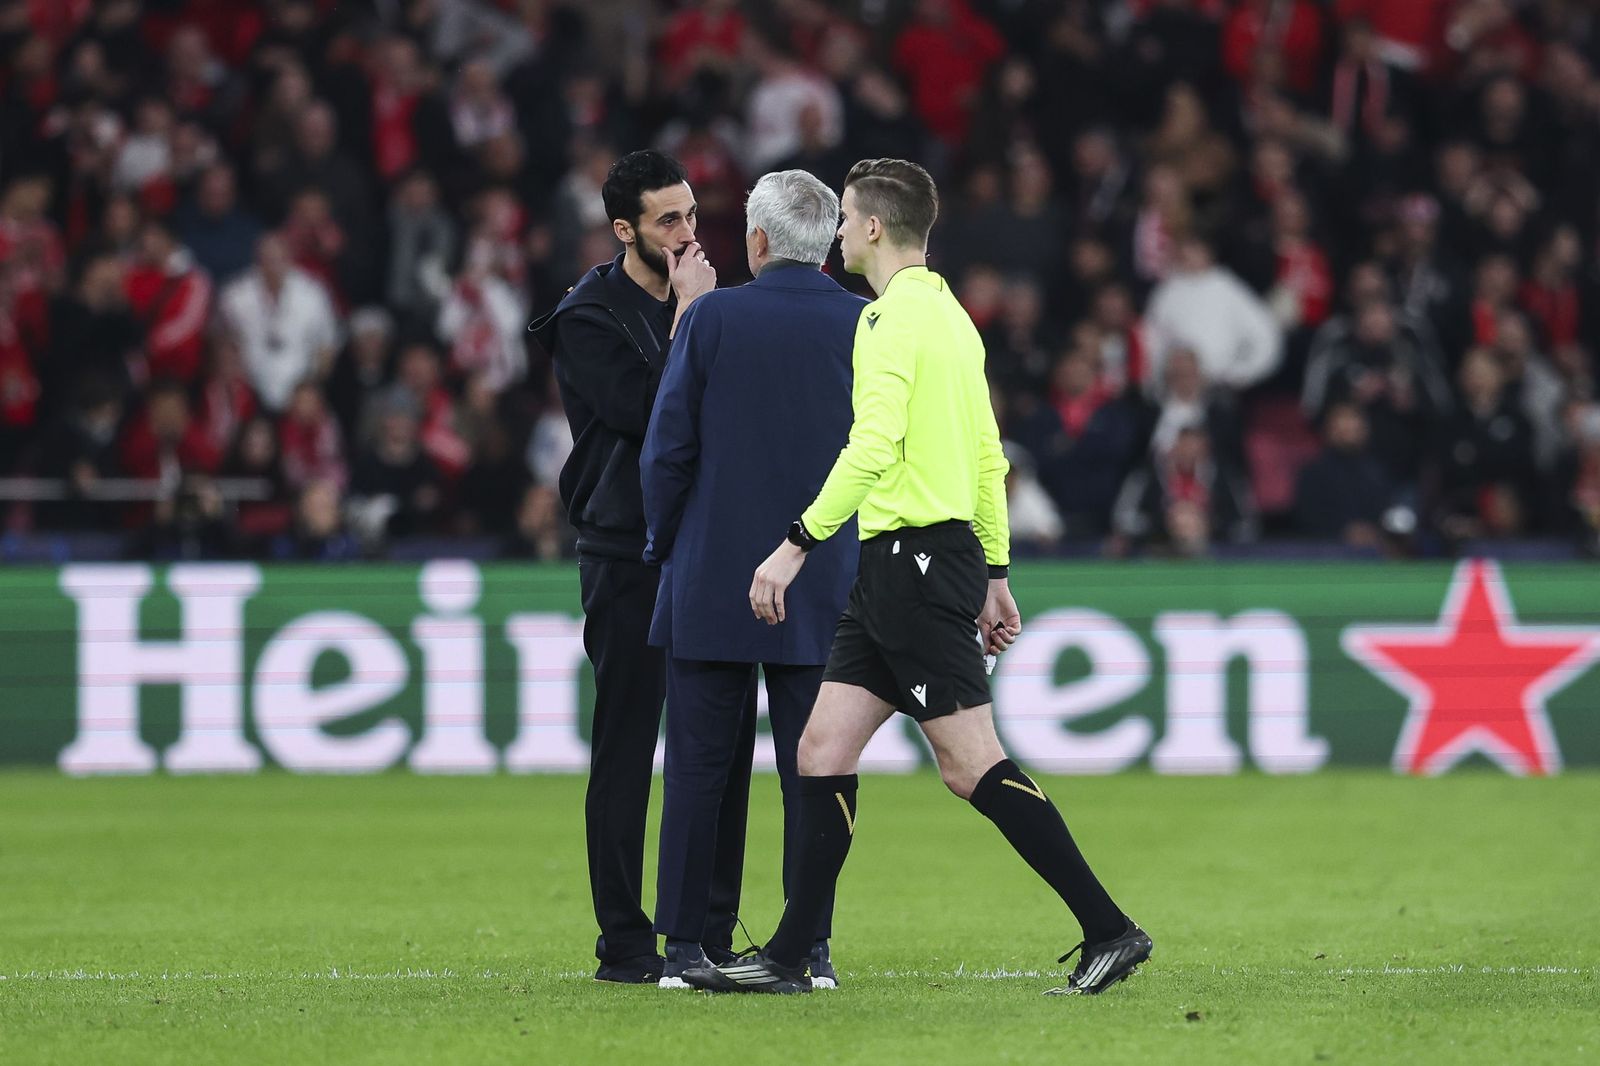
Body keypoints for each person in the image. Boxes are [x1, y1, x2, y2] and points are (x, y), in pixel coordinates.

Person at [685, 159, 1150, 996]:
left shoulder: (888, 322)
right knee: (821, 748)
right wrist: (997, 570)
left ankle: (1110, 928)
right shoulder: (952, 318)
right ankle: (790, 956)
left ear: (870, 228)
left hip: (914, 563)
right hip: (918, 562)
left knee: (970, 765)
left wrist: (795, 543)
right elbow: (985, 456)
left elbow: (874, 446)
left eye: (845, 218)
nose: (835, 233)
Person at [641, 170, 865, 989]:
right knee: (821, 766)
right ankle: (810, 946)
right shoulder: (865, 323)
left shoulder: (712, 317)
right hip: (825, 582)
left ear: (758, 242)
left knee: (699, 766)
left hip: (711, 577)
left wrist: (668, 545)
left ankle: (685, 950)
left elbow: (667, 450)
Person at [528, 150, 721, 984]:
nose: (686, 234)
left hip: (705, 544)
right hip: (625, 549)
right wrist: (691, 317)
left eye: (690, 214)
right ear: (624, 230)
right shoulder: (587, 315)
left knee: (713, 741)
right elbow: (653, 414)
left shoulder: (707, 301)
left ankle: (705, 929)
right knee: (626, 742)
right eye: (667, 220)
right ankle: (624, 937)